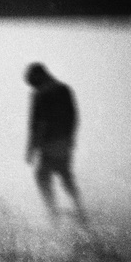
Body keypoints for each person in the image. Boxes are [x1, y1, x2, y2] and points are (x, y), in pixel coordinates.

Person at [24, 63, 86, 222]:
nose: (33, 86)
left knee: (42, 177)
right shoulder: (64, 89)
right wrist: (70, 138)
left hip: (49, 143)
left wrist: (31, 149)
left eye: (32, 82)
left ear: (39, 76)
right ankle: (80, 211)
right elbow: (74, 116)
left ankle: (53, 213)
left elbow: (38, 124)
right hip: (64, 142)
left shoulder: (40, 94)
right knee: (66, 176)